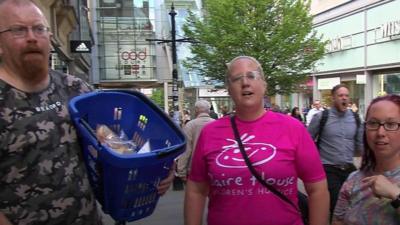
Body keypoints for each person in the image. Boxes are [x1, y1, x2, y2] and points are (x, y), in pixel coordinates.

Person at [0, 1, 173, 224]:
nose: (32, 37)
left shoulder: (76, 89)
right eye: (18, 30)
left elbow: (114, 144)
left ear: (50, 37)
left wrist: (154, 170)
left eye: (39, 28)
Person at [184, 56, 329, 225]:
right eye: (237, 78)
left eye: (252, 76)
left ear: (264, 85)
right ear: (229, 89)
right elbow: (196, 191)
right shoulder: (210, 133)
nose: (245, 82)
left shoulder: (293, 128)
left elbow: (317, 189)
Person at [332, 94, 400, 225]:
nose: (380, 132)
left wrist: (395, 195)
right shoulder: (353, 180)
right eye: (373, 123)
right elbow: (337, 221)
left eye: (391, 124)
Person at [307, 84, 364, 219]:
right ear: (333, 98)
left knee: (354, 203)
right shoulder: (322, 117)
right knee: (337, 204)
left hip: (349, 168)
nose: (344, 98)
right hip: (328, 168)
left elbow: (360, 145)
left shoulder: (356, 119)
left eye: (346, 96)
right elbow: (307, 141)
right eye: (340, 96)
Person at [176, 100, 215, 181]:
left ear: (196, 110)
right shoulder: (216, 124)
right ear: (209, 110)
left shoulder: (190, 125)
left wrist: (181, 171)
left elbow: (186, 149)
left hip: (194, 168)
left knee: (195, 193)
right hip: (214, 167)